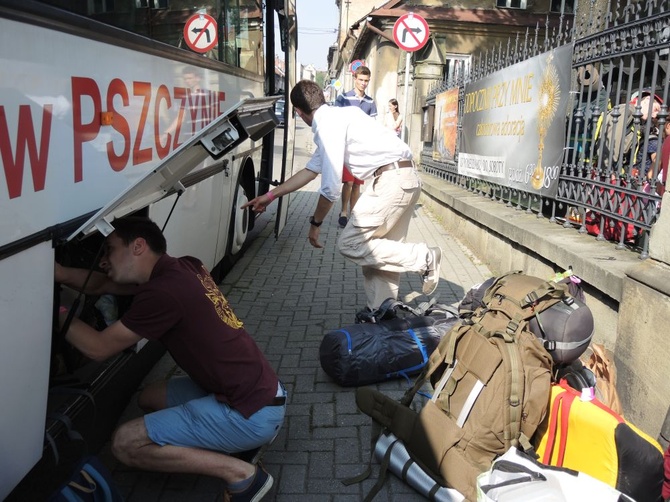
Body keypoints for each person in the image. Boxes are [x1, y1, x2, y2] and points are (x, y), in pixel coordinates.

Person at [55, 217, 284, 502]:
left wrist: (54, 306)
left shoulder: (163, 293)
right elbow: (101, 285)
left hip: (252, 411)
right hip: (265, 391)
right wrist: (61, 274)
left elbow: (98, 348)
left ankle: (243, 475)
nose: (103, 261)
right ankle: (237, 441)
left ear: (138, 246)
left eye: (109, 250)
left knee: (125, 443)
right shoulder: (185, 266)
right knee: (149, 398)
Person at [242, 80, 442, 312]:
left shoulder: (327, 125)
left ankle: (425, 258)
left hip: (391, 181)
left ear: (298, 111)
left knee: (351, 242)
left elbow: (330, 188)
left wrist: (315, 223)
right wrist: (270, 196)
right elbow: (309, 171)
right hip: (404, 177)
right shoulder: (339, 118)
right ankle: (382, 312)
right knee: (380, 255)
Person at [334, 66, 378, 228]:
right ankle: (343, 212)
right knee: (348, 182)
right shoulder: (343, 98)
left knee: (358, 184)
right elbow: (336, 121)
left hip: (362, 149)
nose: (363, 83)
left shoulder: (370, 102)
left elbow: (373, 126)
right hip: (347, 148)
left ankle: (353, 213)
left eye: (366, 81)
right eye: (361, 80)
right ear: (355, 78)